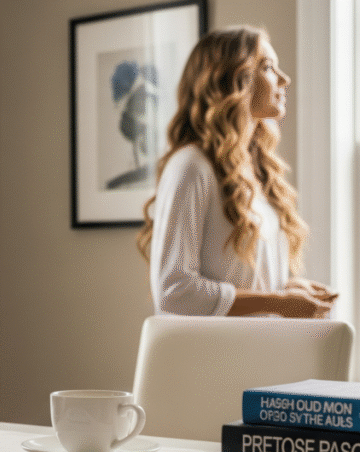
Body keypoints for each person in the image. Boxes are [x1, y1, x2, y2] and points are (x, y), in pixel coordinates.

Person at [136, 26, 337, 318]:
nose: (284, 80)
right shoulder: (191, 167)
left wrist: (288, 290)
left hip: (253, 353)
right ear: (231, 81)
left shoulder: (255, 173)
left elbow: (237, 279)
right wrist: (276, 302)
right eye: (268, 67)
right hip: (214, 360)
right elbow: (173, 290)